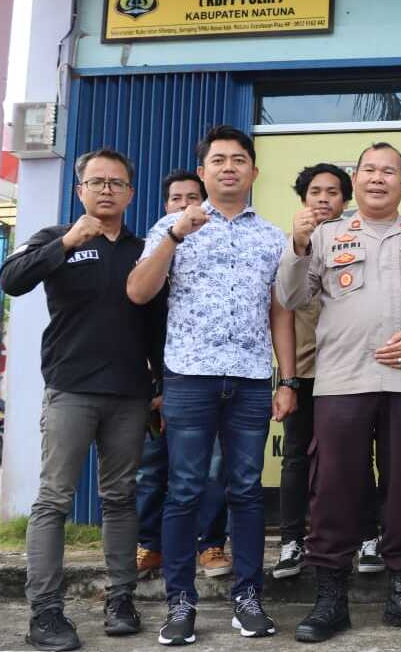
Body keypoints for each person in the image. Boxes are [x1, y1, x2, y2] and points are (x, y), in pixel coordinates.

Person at [278, 143, 401, 641]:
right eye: (369, 170)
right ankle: (330, 598)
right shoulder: (324, 235)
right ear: (355, 180)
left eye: (389, 172)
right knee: (334, 488)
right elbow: (291, 296)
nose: (378, 179)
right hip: (342, 381)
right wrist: (296, 246)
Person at [128, 125, 296, 645]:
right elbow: (139, 291)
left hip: (250, 379)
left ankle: (248, 598)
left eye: (238, 159)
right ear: (202, 172)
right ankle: (180, 603)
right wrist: (177, 234)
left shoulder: (271, 236)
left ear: (253, 172)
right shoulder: (170, 226)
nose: (229, 167)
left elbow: (280, 312)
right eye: (218, 160)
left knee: (245, 489)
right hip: (189, 377)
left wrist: (287, 379)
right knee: (184, 488)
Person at [2, 149, 165, 651]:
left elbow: (157, 324)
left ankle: (121, 599)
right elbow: (11, 279)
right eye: (97, 182)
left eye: (117, 183)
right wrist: (68, 242)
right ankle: (46, 612)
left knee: (120, 498)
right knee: (54, 499)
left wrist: (160, 385)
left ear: (130, 193)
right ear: (80, 191)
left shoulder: (145, 249)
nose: (107, 190)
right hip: (70, 388)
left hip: (129, 394)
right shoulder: (55, 237)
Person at [273, 163, 384, 581]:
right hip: (305, 370)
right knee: (296, 457)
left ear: (346, 199)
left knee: (358, 456)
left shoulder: (360, 240)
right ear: (303, 199)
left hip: (352, 368)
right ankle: (291, 542)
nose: (323, 199)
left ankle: (368, 536)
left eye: (333, 192)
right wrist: (287, 380)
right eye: (315, 192)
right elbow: (282, 315)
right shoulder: (291, 245)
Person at [135, 170, 232, 583]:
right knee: (152, 468)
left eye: (194, 198)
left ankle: (210, 543)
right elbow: (138, 321)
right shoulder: (153, 252)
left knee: (212, 468)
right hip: (160, 379)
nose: (186, 205)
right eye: (177, 198)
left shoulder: (218, 257)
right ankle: (149, 544)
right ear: (166, 206)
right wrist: (155, 384)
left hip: (203, 380)